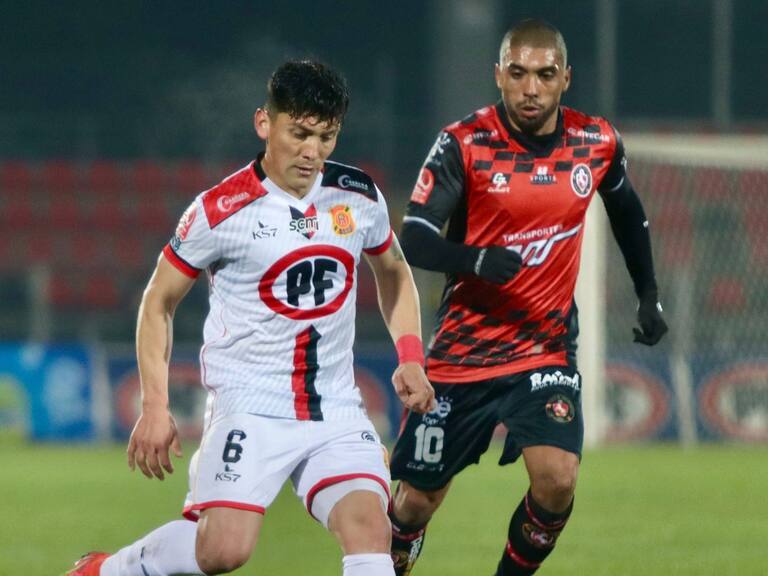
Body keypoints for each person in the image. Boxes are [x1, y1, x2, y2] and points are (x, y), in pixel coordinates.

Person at [65, 59, 435, 576]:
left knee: (371, 532)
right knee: (223, 551)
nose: (313, 151)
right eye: (300, 133)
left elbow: (393, 272)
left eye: (327, 136)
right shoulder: (221, 211)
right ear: (265, 123)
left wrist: (411, 356)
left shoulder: (358, 196)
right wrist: (155, 404)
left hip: (335, 407)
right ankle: (108, 571)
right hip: (249, 405)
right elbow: (158, 301)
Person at [388, 19, 668, 576]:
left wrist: (648, 295)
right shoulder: (464, 143)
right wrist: (474, 259)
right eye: (517, 74)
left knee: (558, 478)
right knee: (417, 500)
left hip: (545, 349)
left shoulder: (596, 142)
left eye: (544, 75)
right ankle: (392, 553)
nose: (530, 89)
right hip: (463, 353)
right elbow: (414, 234)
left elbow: (629, 214)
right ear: (499, 75)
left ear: (566, 78)